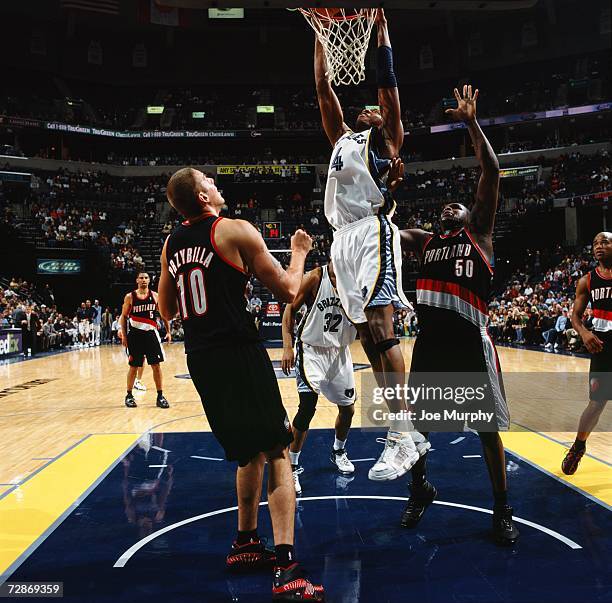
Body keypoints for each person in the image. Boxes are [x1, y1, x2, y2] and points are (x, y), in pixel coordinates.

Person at [158, 167, 324, 601]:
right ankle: (288, 568)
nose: (215, 182)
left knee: (246, 453)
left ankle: (246, 542)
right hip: (238, 353)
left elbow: (167, 310)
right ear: (202, 194)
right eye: (208, 179)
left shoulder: (171, 243)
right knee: (278, 449)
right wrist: (299, 251)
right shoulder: (233, 230)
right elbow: (290, 289)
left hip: (202, 361)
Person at [398, 85, 519, 546]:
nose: (451, 205)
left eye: (459, 204)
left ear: (470, 214)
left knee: (488, 432)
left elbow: (491, 170)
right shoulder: (424, 240)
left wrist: (470, 122)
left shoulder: (480, 236)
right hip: (431, 346)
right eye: (445, 206)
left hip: (471, 342)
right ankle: (419, 488)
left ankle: (502, 507)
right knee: (417, 428)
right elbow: (384, 230)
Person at [314, 8, 419, 481]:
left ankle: (400, 431)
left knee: (382, 324)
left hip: (372, 231)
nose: (369, 109)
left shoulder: (389, 140)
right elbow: (324, 89)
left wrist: (380, 31)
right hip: (342, 241)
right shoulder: (342, 139)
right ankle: (405, 431)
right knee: (368, 340)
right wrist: (319, 32)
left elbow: (388, 84)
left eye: (376, 109)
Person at [281, 260, 357, 496]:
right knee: (307, 407)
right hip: (311, 349)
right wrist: (287, 347)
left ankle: (338, 451)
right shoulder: (315, 277)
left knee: (348, 409)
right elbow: (289, 309)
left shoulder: (355, 280)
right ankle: (291, 466)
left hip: (339, 351)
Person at [562, 232, 612, 474]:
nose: (599, 246)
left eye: (605, 242)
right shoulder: (587, 280)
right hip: (603, 344)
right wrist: (583, 333)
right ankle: (578, 446)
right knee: (597, 402)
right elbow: (575, 316)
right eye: (595, 243)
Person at [119, 272, 171, 409]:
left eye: (146, 278)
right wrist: (124, 335)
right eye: (141, 278)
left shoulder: (155, 296)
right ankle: (129, 395)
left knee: (156, 366)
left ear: (149, 280)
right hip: (135, 335)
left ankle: (160, 396)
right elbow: (123, 317)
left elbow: (163, 314)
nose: (143, 280)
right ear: (137, 280)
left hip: (151, 334)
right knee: (133, 366)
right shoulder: (130, 297)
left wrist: (169, 331)